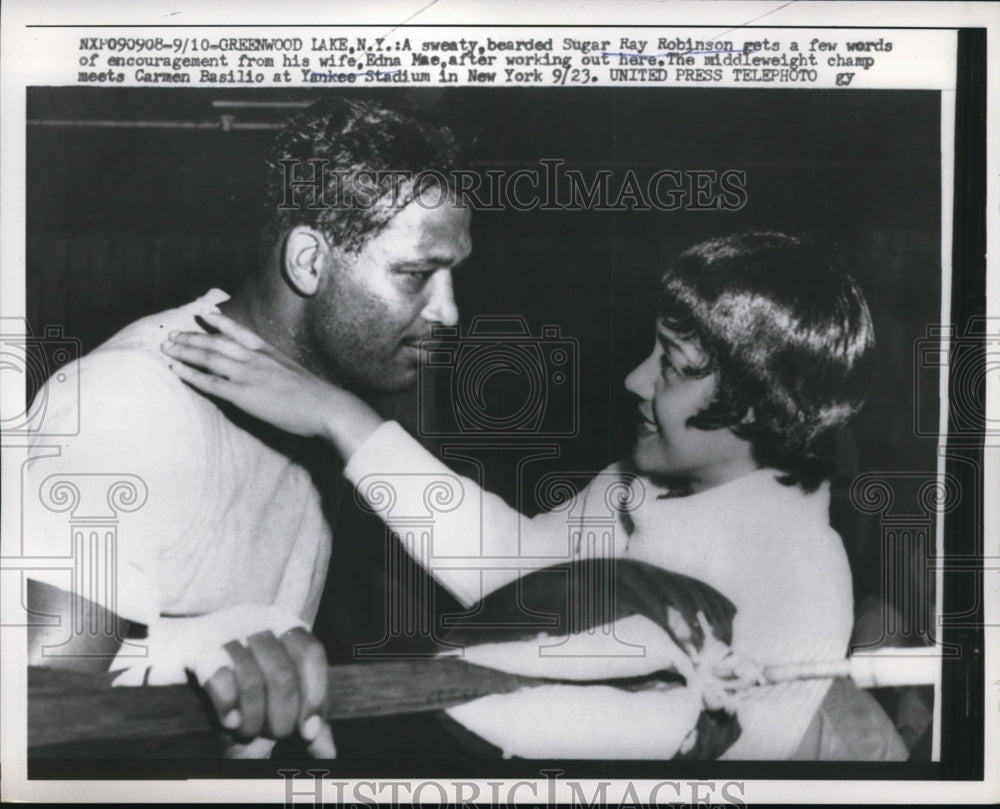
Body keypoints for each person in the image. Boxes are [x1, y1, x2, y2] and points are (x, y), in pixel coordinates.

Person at [162, 230, 884, 759]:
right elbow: (509, 568)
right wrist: (336, 415)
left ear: (759, 408)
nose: (635, 381)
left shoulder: (799, 583)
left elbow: (587, 733)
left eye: (672, 368)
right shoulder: (653, 482)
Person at [25, 96, 471, 758]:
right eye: (416, 274)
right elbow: (31, 711)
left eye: (453, 273)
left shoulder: (324, 408)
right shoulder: (129, 400)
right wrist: (192, 652)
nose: (449, 310)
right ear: (310, 263)